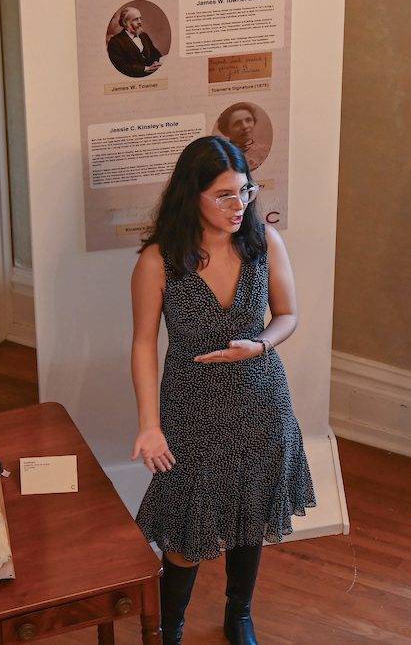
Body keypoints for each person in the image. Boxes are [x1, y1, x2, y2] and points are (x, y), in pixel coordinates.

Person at [130, 136, 315, 644]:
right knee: (187, 529)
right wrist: (149, 424)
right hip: (191, 407)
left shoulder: (263, 242)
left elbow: (289, 315)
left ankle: (239, 615)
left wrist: (259, 344)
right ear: (193, 195)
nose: (239, 207)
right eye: (225, 196)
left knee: (250, 514)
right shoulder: (158, 262)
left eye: (245, 193)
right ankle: (170, 629)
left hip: (261, 400)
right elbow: (144, 344)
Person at [107, 5, 163, 78]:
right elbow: (121, 66)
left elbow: (155, 53)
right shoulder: (115, 42)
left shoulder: (144, 36)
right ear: (125, 22)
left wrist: (156, 61)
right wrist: (145, 69)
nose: (140, 22)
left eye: (140, 18)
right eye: (136, 19)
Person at [217, 103, 270, 170]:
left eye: (248, 120)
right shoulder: (222, 156)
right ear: (226, 131)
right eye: (237, 123)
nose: (245, 126)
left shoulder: (265, 151)